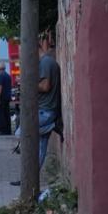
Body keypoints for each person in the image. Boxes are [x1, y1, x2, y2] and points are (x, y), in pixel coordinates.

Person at [37, 31, 63, 168]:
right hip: (45, 108)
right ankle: (31, 176)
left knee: (23, 132)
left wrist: (29, 86)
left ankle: (52, 126)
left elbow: (45, 86)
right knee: (41, 146)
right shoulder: (45, 62)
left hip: (46, 110)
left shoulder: (46, 63)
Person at [0, 62, 13, 135]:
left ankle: (3, 130)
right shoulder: (7, 75)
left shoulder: (1, 76)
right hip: (7, 97)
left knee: (1, 114)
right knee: (6, 114)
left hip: (2, 97)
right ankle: (8, 130)